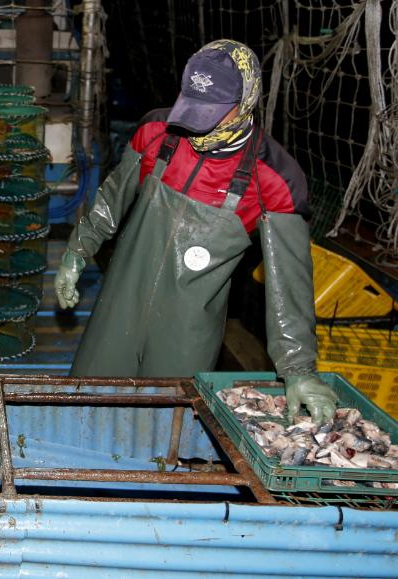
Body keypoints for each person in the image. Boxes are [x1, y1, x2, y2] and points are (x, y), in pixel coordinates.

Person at [54, 39, 337, 424]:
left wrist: (299, 368)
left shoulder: (274, 180)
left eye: (212, 111)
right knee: (83, 403)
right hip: (120, 301)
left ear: (246, 101)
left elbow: (289, 284)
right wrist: (76, 251)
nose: (197, 122)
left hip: (187, 329)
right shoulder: (157, 132)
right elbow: (111, 199)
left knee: (166, 423)